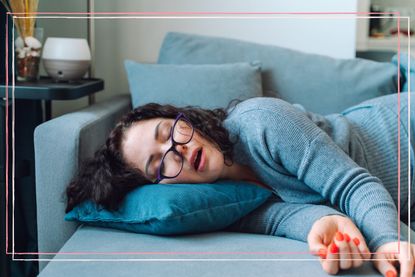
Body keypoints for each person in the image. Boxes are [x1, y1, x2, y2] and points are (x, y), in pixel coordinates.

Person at [66, 92, 415, 277]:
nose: (179, 150)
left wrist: (386, 239)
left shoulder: (261, 121)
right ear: (159, 185)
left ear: (181, 118)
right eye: (160, 162)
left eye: (169, 131)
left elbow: (352, 186)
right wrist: (324, 224)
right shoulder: (222, 201)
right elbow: (280, 218)